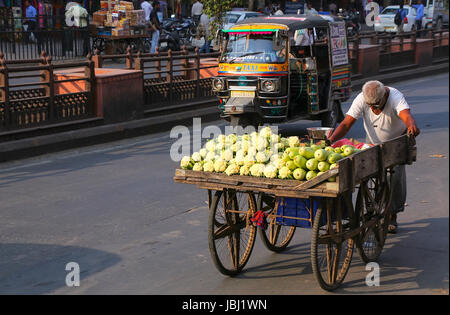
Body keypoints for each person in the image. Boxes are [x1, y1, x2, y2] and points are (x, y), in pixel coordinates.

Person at [328, 80, 420, 234]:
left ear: (384, 95)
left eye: (376, 105)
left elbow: (406, 115)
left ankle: (393, 214)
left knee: (394, 176)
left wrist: (411, 125)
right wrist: (330, 141)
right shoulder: (361, 99)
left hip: (395, 142)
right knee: (365, 172)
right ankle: (370, 206)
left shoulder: (395, 96)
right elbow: (346, 124)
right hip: (372, 142)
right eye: (369, 105)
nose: (372, 109)